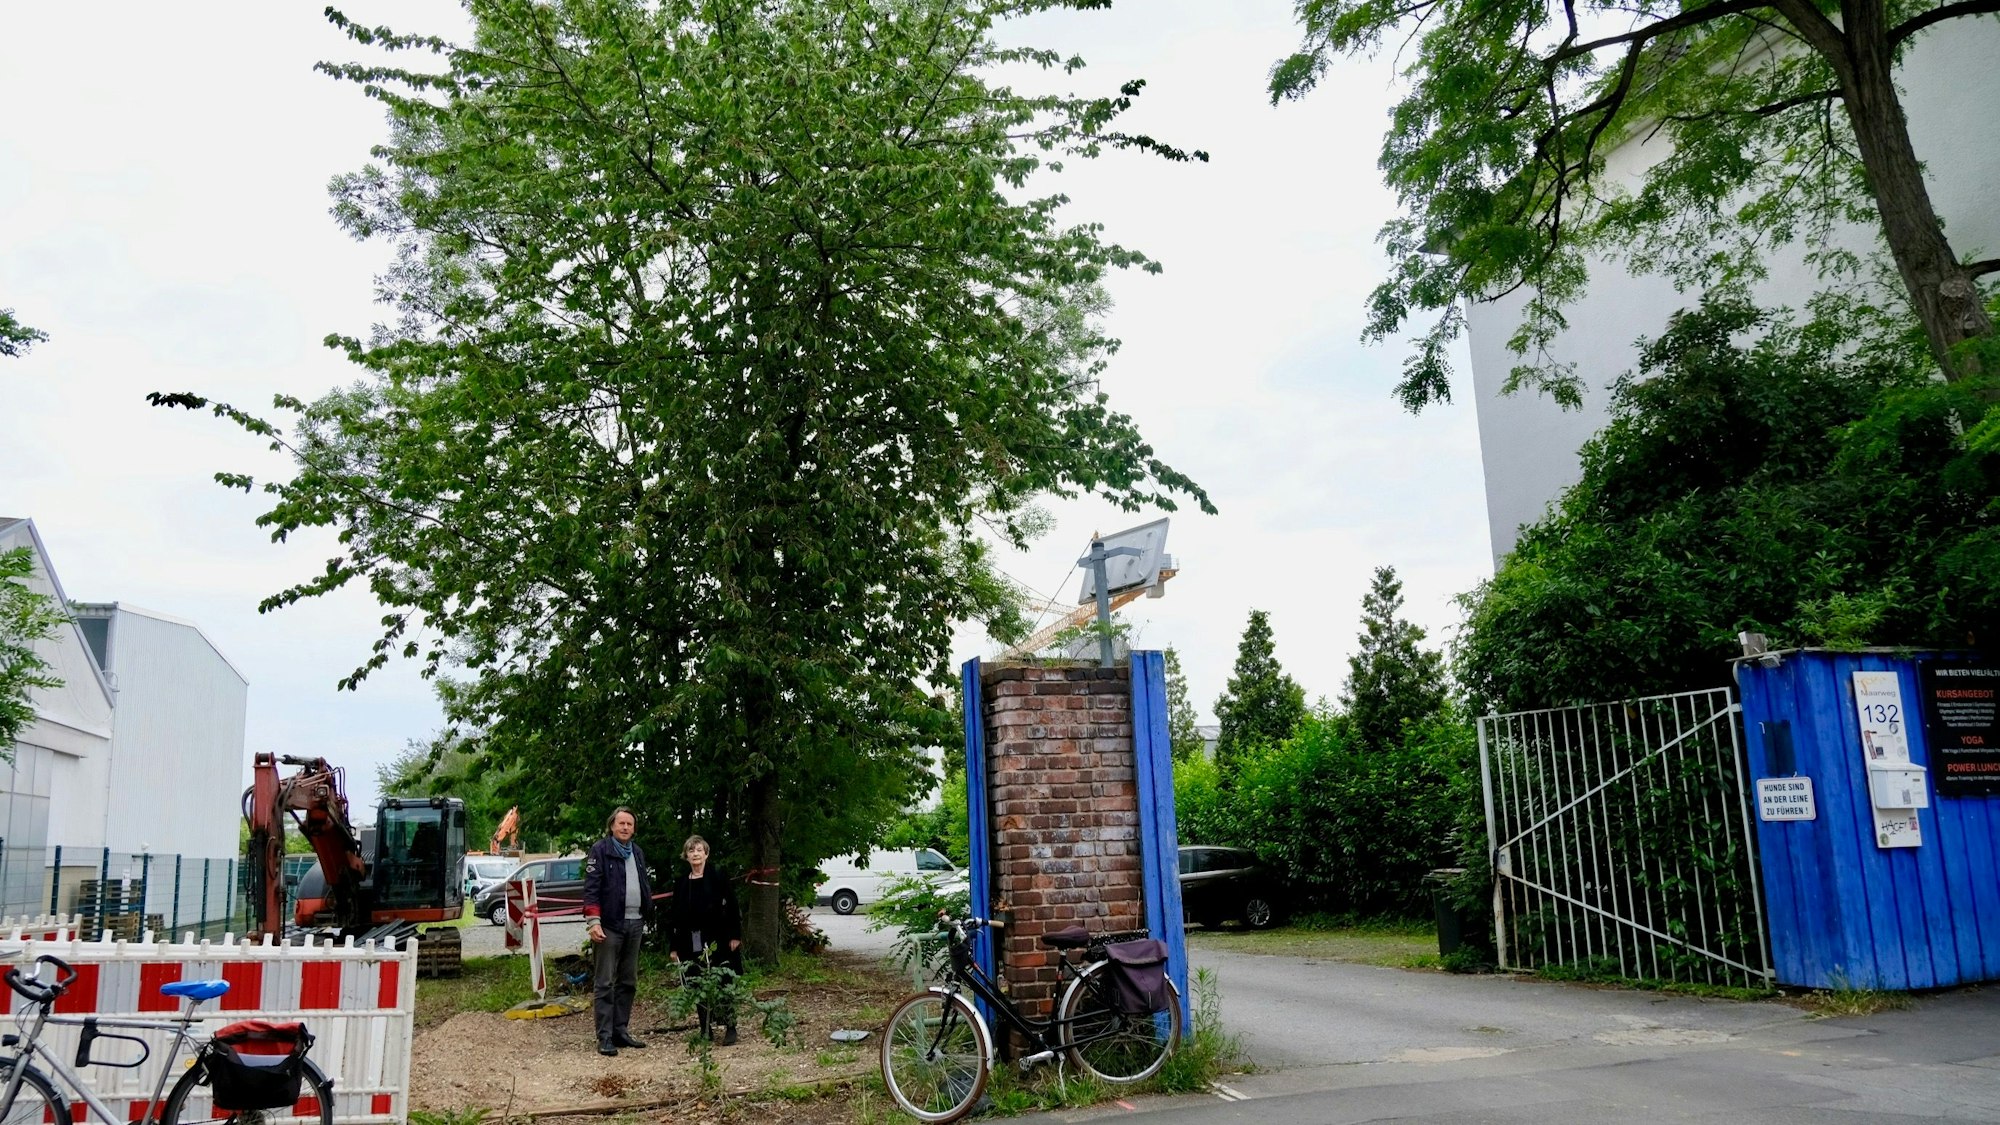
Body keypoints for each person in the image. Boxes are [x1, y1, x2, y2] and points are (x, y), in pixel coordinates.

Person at [582, 806, 654, 1057]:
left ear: (634, 829)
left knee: (628, 980)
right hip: (609, 925)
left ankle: (620, 1030)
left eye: (629, 824)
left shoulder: (637, 852)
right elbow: (591, 888)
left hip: (635, 924)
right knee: (604, 981)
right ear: (612, 826)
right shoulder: (600, 851)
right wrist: (594, 921)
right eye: (621, 823)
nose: (625, 828)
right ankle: (604, 1036)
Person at [666, 834, 743, 1045]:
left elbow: (733, 905)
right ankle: (705, 1028)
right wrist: (674, 947)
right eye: (691, 851)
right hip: (691, 940)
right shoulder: (681, 882)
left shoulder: (718, 875)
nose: (695, 854)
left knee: (723, 980)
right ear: (686, 856)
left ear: (706, 854)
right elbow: (675, 916)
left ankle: (730, 1026)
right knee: (696, 981)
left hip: (719, 937)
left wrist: (735, 935)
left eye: (699, 850)